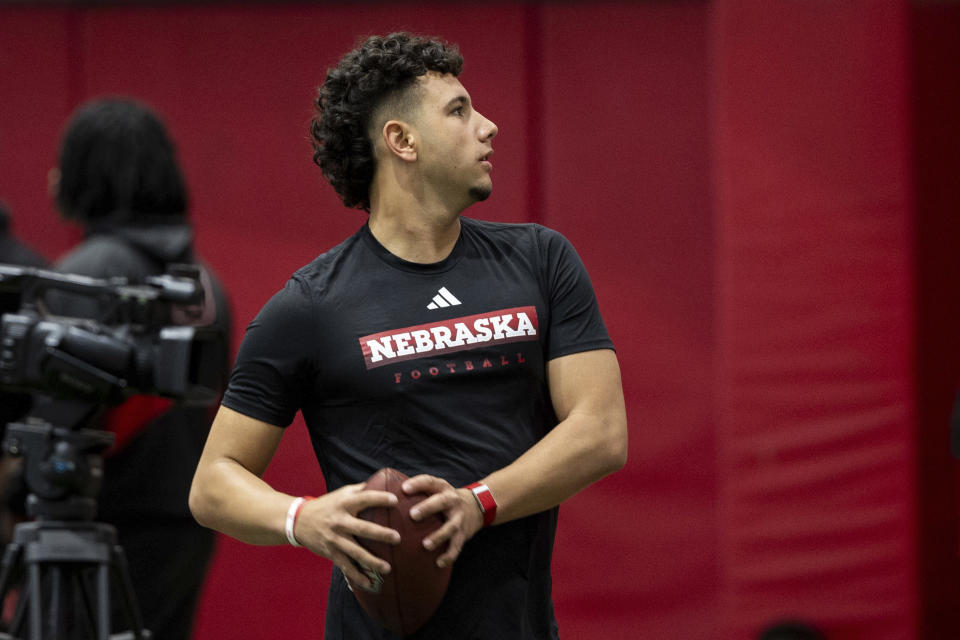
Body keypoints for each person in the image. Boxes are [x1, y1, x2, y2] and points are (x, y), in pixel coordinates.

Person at [190, 32, 627, 639]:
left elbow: (602, 433)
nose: (489, 126)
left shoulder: (541, 261)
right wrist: (303, 518)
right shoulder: (310, 306)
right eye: (459, 110)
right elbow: (213, 482)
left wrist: (479, 502)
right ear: (402, 141)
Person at [46, 97, 232, 640]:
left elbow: (59, 412)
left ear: (88, 172)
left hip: (94, 524)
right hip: (186, 527)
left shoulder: (88, 274)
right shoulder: (205, 283)